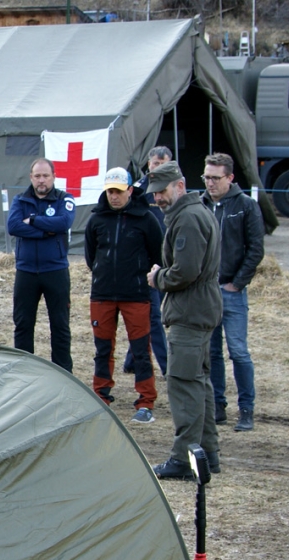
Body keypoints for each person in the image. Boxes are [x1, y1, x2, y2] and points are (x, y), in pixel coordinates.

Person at [146, 161, 223, 480]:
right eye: (154, 193)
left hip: (190, 311)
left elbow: (185, 271)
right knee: (198, 382)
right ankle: (207, 454)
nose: (158, 198)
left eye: (162, 191)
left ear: (180, 185)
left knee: (183, 384)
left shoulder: (188, 218)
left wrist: (158, 277)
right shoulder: (194, 212)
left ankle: (184, 458)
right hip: (199, 308)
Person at [83, 167, 163, 422]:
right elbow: (91, 256)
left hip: (136, 294)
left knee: (141, 349)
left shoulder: (147, 219)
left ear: (130, 190)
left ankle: (146, 401)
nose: (114, 196)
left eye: (118, 191)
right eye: (110, 192)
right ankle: (101, 396)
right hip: (102, 294)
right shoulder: (96, 219)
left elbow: (158, 256)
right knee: (102, 348)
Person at [202, 151, 264, 432]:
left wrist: (237, 283)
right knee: (212, 352)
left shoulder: (246, 206)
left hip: (231, 291)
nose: (210, 183)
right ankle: (218, 407)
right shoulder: (201, 205)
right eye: (206, 177)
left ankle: (246, 409)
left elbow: (256, 248)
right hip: (207, 291)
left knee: (238, 351)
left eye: (215, 178)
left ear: (230, 178)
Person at [7, 157, 76, 372]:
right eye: (37, 176)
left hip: (55, 270)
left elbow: (64, 222)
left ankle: (63, 372)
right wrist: (47, 231)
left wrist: (34, 221)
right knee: (23, 324)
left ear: (54, 176)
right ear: (31, 177)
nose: (41, 180)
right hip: (26, 271)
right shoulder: (20, 200)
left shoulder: (64, 199)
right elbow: (13, 226)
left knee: (60, 325)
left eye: (46, 175)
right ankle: (25, 370)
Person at [123, 145, 173, 376]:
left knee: (151, 310)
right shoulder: (138, 190)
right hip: (144, 261)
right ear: (148, 165)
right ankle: (167, 367)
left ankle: (131, 360)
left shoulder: (175, 188)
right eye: (155, 164)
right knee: (153, 315)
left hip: (167, 259)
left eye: (163, 164)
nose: (158, 168)